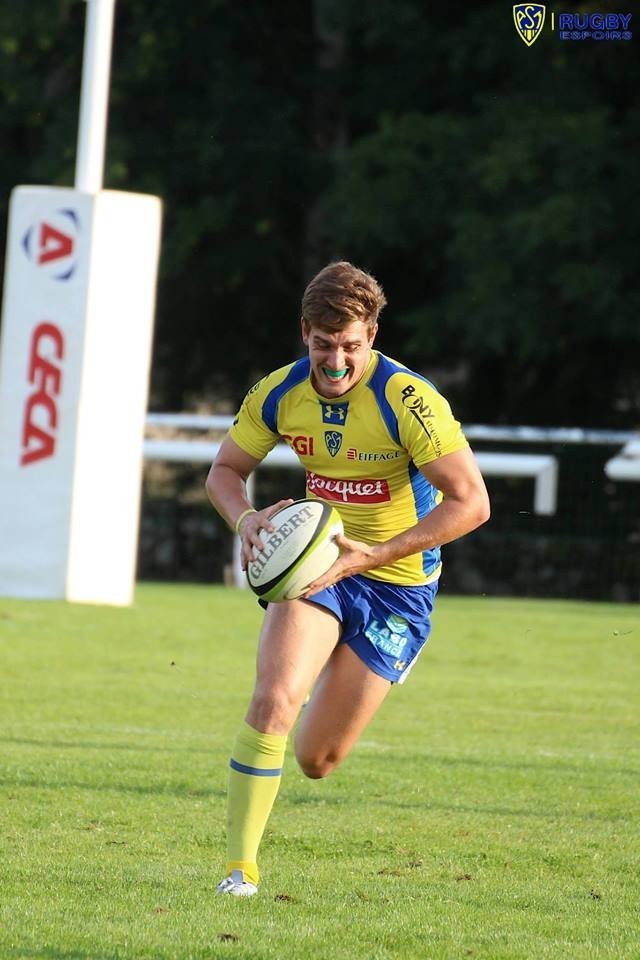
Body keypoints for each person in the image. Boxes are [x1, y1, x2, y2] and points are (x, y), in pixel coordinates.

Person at [205, 261, 490, 897]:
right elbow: (224, 471)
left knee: (317, 759)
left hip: (398, 584)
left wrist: (374, 554)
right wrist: (245, 518)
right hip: (317, 569)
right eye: (323, 345)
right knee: (273, 699)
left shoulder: (408, 400)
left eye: (351, 346)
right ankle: (240, 871)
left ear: (373, 335)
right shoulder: (279, 394)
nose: (336, 362)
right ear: (304, 332)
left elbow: (471, 503)